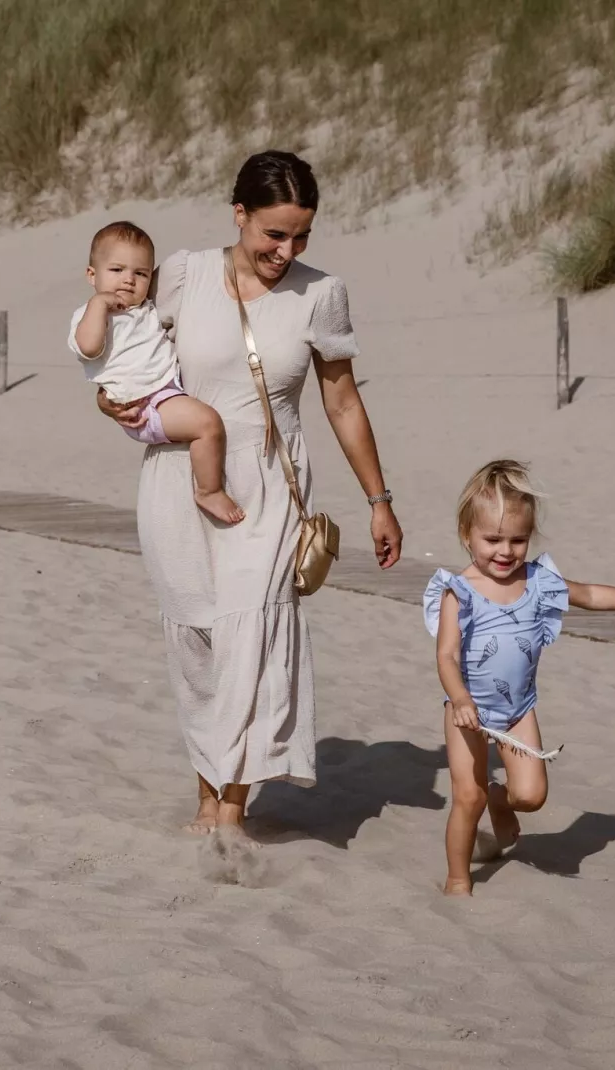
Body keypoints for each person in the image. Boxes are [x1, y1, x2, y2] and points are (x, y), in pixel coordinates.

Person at [97, 150, 403, 839]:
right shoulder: (182, 273)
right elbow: (129, 349)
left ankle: (229, 810)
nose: (285, 250)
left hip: (267, 488)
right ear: (239, 214)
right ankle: (207, 797)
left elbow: (342, 401)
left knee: (252, 640)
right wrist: (105, 401)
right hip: (179, 478)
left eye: (300, 236)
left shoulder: (322, 295)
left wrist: (379, 499)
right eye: (273, 233)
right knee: (200, 643)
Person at [424, 459, 615, 896]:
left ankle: (500, 798)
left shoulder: (538, 581)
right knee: (465, 798)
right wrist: (461, 700)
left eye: (517, 540)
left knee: (530, 796)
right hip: (468, 711)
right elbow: (447, 656)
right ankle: (458, 880)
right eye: (492, 539)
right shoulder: (460, 591)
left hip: (517, 711)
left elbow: (590, 594)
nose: (505, 551)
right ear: (466, 535)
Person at [70, 221, 244, 525]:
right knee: (208, 424)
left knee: (205, 423)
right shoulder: (91, 315)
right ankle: (209, 490)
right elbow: (89, 347)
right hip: (144, 404)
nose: (128, 280)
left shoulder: (146, 308)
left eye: (140, 273)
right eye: (117, 270)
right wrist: (99, 305)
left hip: (163, 394)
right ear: (92, 275)